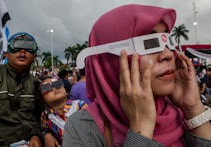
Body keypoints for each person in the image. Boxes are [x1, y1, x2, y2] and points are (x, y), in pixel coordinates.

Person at [62, 4, 211, 147]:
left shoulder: (177, 109)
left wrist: (193, 109)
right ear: (110, 62)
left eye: (168, 42)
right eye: (150, 44)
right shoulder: (83, 128)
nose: (167, 54)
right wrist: (142, 128)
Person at [0, 32, 42, 146]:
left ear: (34, 56)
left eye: (29, 47)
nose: (22, 51)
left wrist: (36, 135)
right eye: (16, 46)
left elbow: (40, 118)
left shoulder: (36, 83)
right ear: (7, 54)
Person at [40, 78, 87, 147]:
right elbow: (44, 129)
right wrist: (47, 136)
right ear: (43, 98)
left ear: (66, 90)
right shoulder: (46, 115)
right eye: (47, 87)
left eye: (57, 84)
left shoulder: (80, 105)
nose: (54, 88)